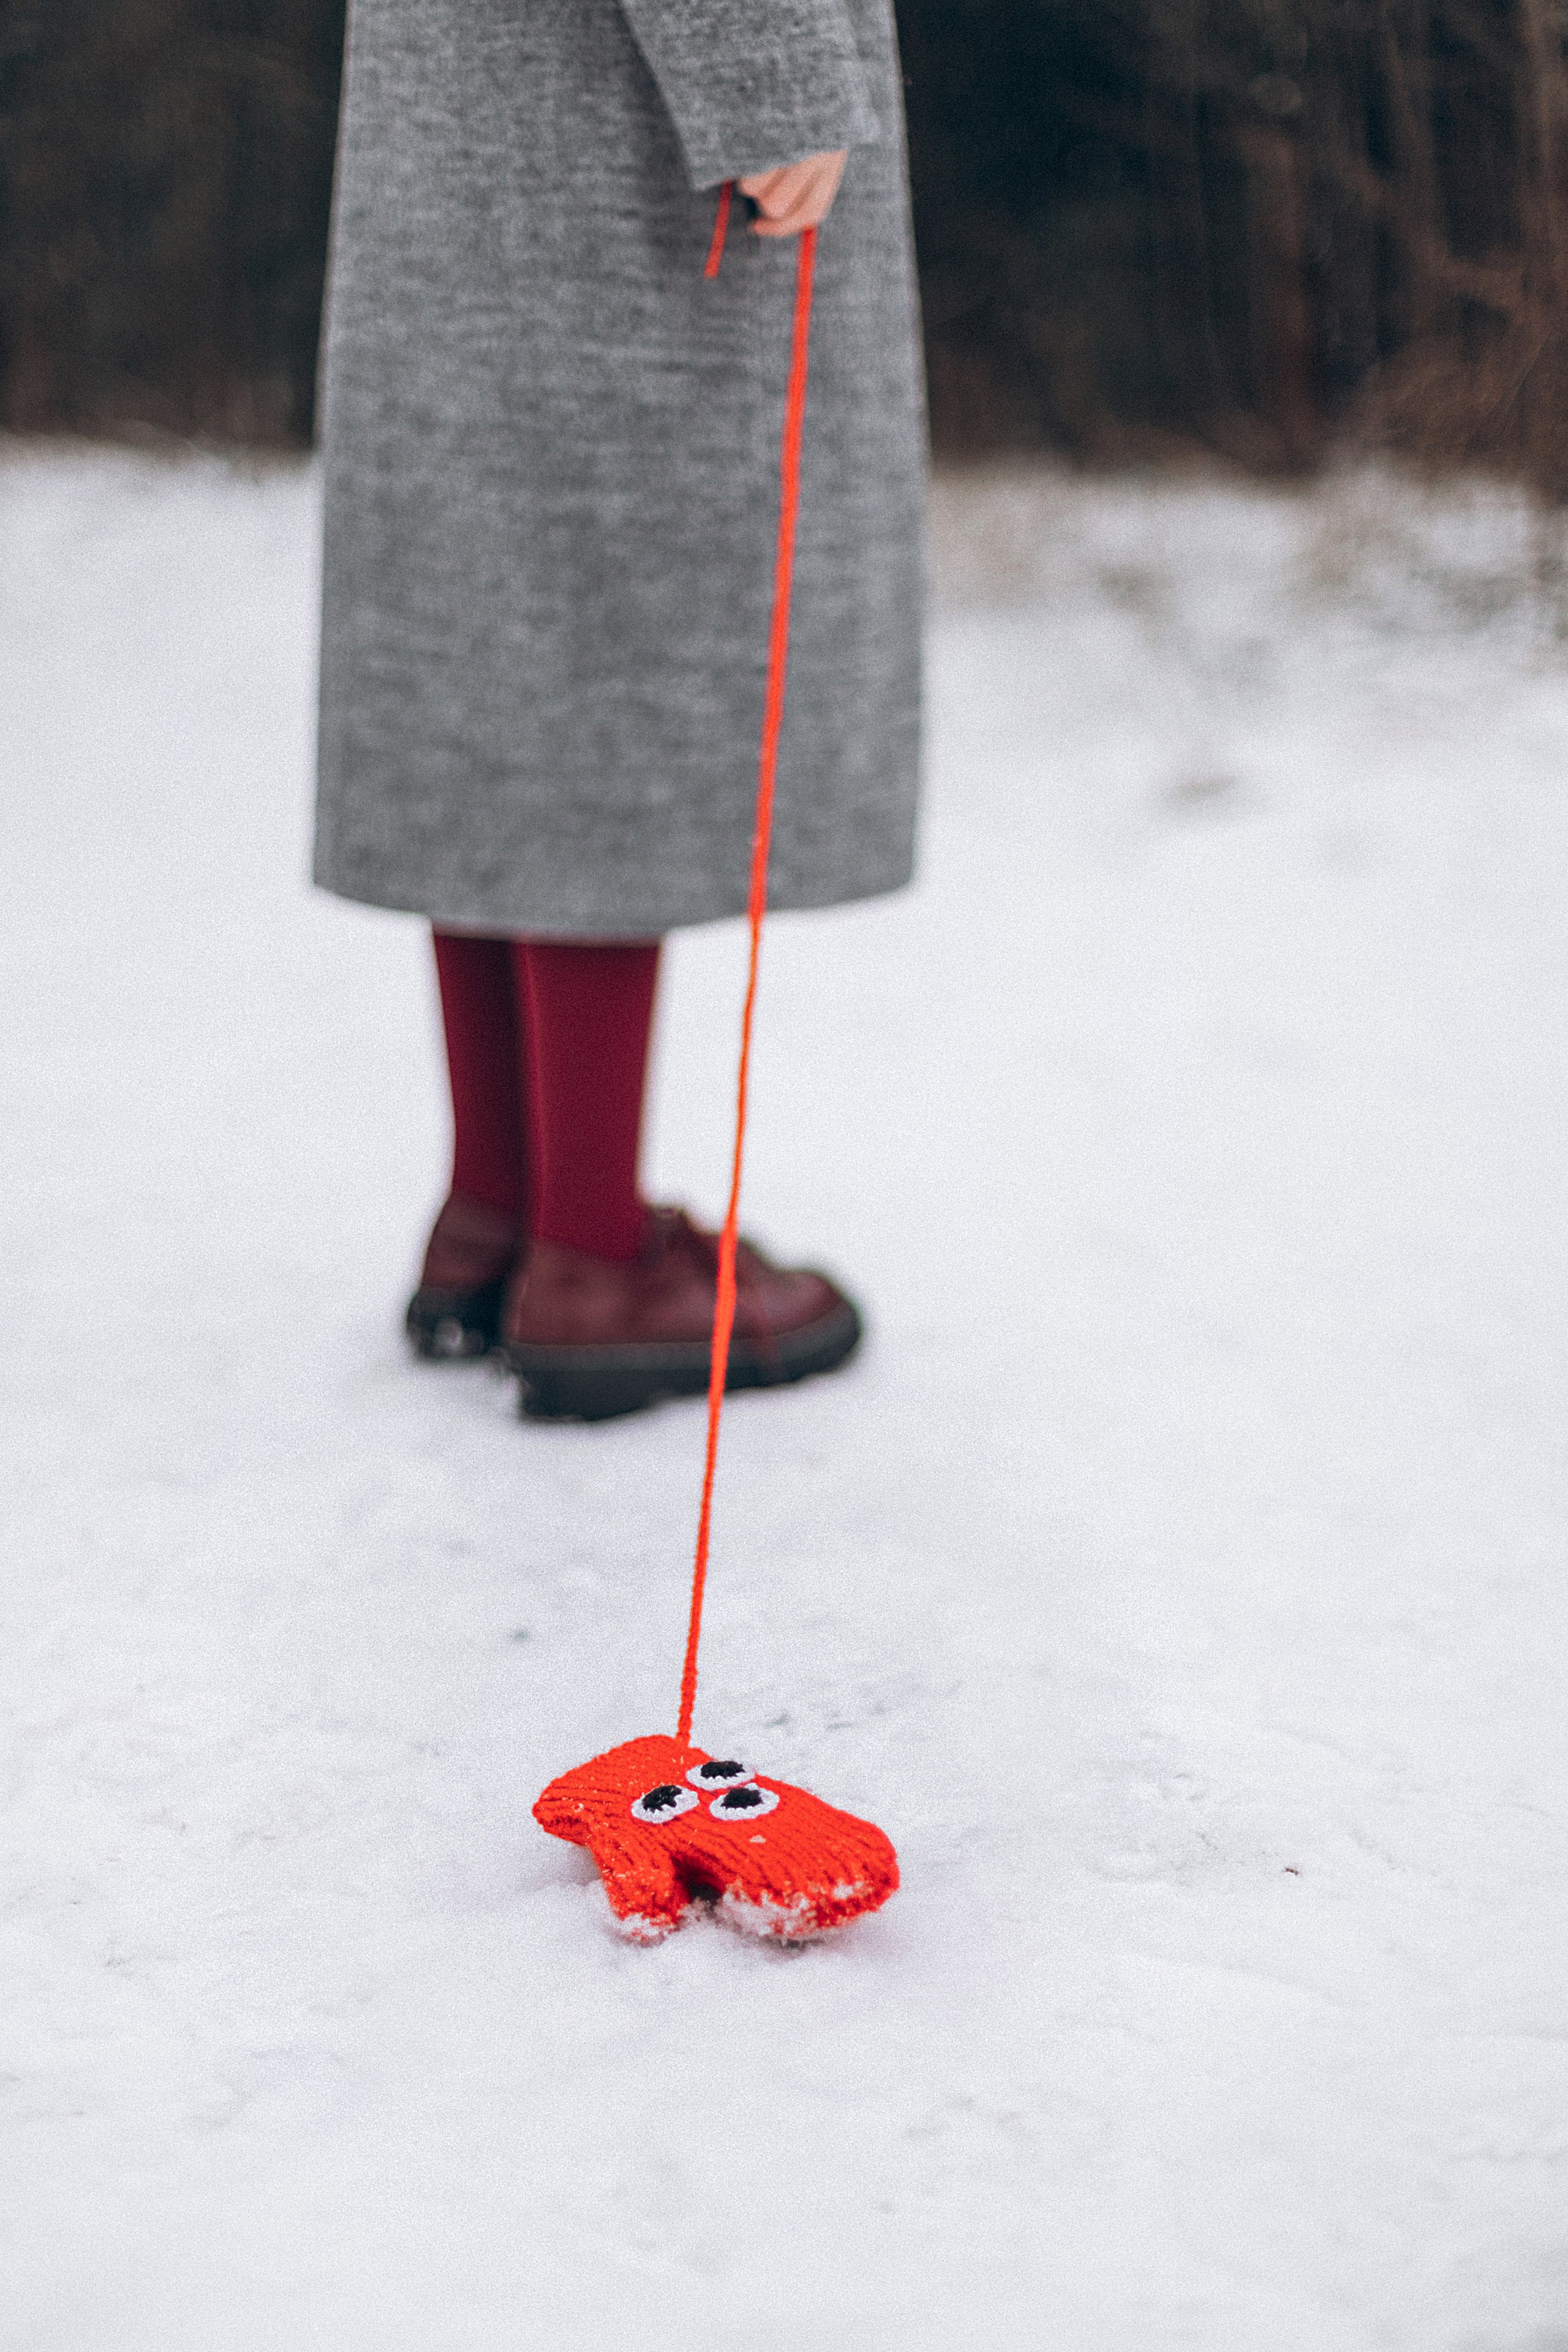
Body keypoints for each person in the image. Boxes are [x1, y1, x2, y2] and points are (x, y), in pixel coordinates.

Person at [312, 0, 925, 1420]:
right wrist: (766, 70)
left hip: (490, 107)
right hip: (617, 121)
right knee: (604, 644)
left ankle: (505, 1212)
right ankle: (587, 1255)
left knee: (504, 631)